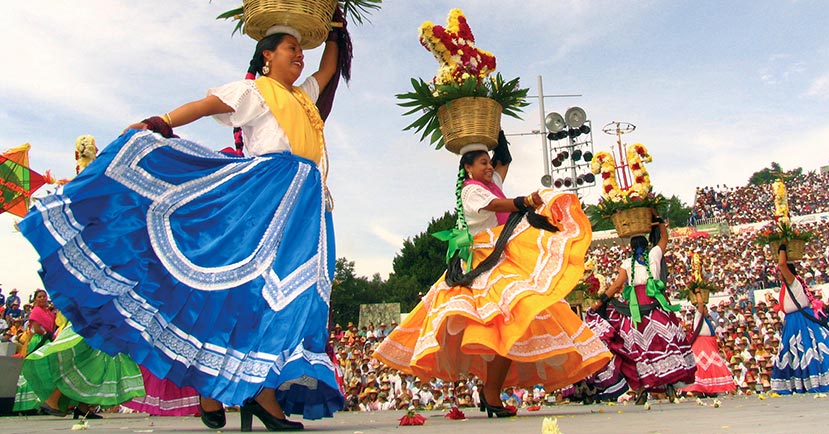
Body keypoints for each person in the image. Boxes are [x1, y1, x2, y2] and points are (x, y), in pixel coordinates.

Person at [19, 21, 349, 431]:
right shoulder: (253, 91)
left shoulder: (303, 97)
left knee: (284, 298)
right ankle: (236, 392)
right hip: (262, 196)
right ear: (267, 55)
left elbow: (328, 69)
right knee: (241, 291)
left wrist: (336, 26)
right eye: (290, 48)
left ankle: (243, 390)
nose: (300, 56)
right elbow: (206, 104)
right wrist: (162, 121)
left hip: (304, 205)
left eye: (301, 50)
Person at [374, 134, 610, 419]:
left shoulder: (490, 184)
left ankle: (491, 389)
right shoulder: (471, 190)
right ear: (468, 168)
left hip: (502, 254)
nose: (489, 167)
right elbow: (498, 207)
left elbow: (504, 161)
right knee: (503, 322)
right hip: (483, 261)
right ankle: (491, 391)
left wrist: (496, 127)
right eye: (482, 163)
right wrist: (526, 200)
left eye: (489, 162)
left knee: (517, 318)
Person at [585, 218, 696, 404]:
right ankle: (668, 385)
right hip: (657, 306)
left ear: (630, 247)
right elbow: (664, 238)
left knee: (638, 347)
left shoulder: (628, 263)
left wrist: (600, 303)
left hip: (637, 310)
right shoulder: (653, 255)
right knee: (665, 341)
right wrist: (658, 220)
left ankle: (644, 387)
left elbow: (616, 287)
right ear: (646, 244)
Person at [769, 244, 829, 394]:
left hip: (800, 320)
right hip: (792, 321)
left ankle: (820, 381)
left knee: (810, 350)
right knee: (797, 353)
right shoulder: (789, 284)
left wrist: (781, 248)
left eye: (781, 273)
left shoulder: (793, 281)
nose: (779, 275)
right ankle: (803, 384)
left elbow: (782, 264)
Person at [681, 300, 736, 397]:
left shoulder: (707, 320)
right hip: (701, 345)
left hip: (709, 345)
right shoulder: (698, 317)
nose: (706, 311)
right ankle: (697, 390)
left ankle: (710, 390)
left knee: (712, 368)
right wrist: (698, 292)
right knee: (704, 368)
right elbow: (700, 305)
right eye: (704, 309)